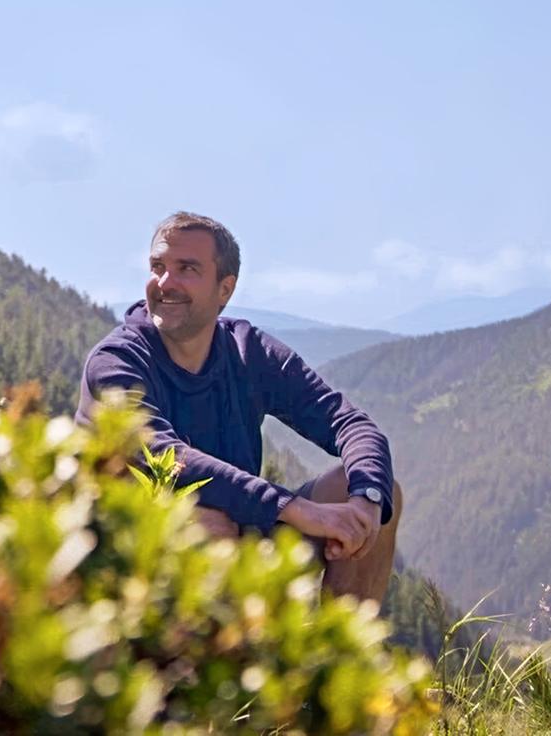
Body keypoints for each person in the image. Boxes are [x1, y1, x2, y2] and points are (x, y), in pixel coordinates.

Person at [75, 211, 403, 601]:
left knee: (380, 493)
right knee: (208, 525)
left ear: (225, 289)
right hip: (126, 559)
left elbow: (350, 423)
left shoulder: (249, 353)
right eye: (158, 266)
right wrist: (294, 508)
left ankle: (341, 656)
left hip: (242, 534)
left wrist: (365, 504)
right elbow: (167, 456)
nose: (165, 282)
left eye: (187, 269)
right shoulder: (116, 362)